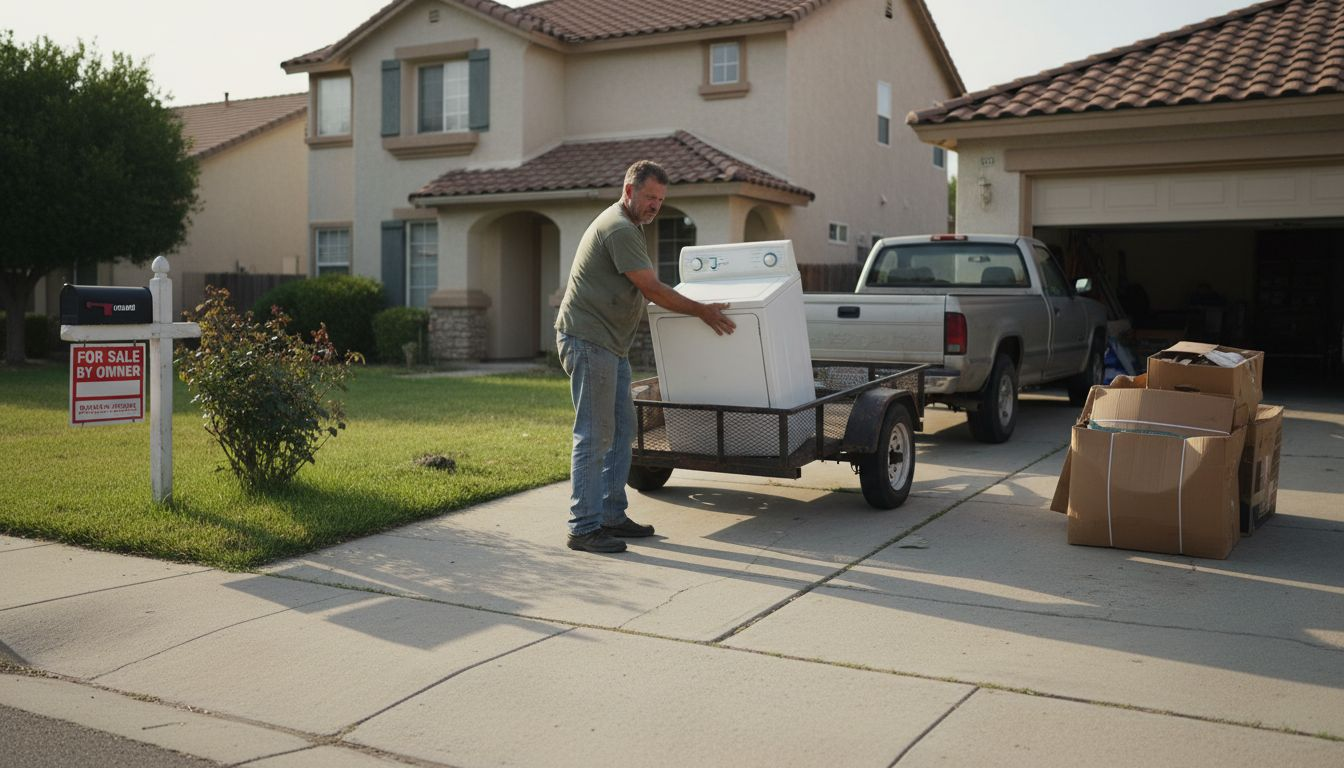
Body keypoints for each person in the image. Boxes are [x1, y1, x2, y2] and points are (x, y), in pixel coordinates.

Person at [554, 160, 736, 554]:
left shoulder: (629, 225)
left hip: (609, 344)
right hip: (589, 340)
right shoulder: (619, 228)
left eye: (661, 199)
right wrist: (703, 310)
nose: (655, 205)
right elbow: (652, 289)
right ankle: (583, 527)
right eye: (650, 196)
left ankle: (610, 515)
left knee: (623, 431)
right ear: (629, 190)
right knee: (595, 434)